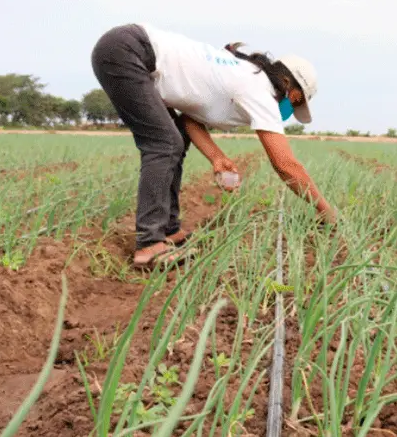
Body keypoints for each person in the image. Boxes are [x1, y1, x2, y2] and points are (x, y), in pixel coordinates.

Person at [91, 23, 336, 269]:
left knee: (175, 136)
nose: (291, 106)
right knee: (165, 144)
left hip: (128, 48)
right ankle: (149, 244)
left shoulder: (245, 76)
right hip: (128, 51)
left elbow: (190, 120)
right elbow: (285, 165)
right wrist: (327, 211)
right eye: (295, 99)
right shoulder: (259, 89)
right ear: (285, 81)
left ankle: (168, 229)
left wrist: (217, 158)